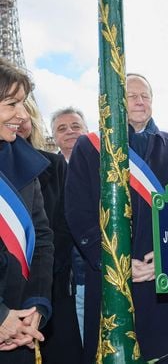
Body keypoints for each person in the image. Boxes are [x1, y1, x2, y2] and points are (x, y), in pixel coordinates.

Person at [65, 73, 168, 364]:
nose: (139, 101)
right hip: (112, 277)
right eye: (131, 95)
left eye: (145, 96)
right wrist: (113, 260)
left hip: (163, 279)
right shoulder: (90, 146)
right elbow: (78, 212)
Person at [16, 98, 82, 363]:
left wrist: (44, 269)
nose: (20, 121)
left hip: (50, 282)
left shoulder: (53, 165)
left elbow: (66, 224)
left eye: (26, 115)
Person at [0, 58, 54, 364]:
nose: (22, 115)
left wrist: (36, 307)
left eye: (24, 103)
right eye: (11, 104)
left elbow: (42, 241)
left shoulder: (24, 163)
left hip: (19, 328)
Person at [50, 106, 88, 345]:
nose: (70, 132)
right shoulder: (44, 173)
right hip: (62, 281)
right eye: (62, 128)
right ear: (53, 137)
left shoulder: (109, 169)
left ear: (86, 130)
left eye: (76, 126)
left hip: (99, 271)